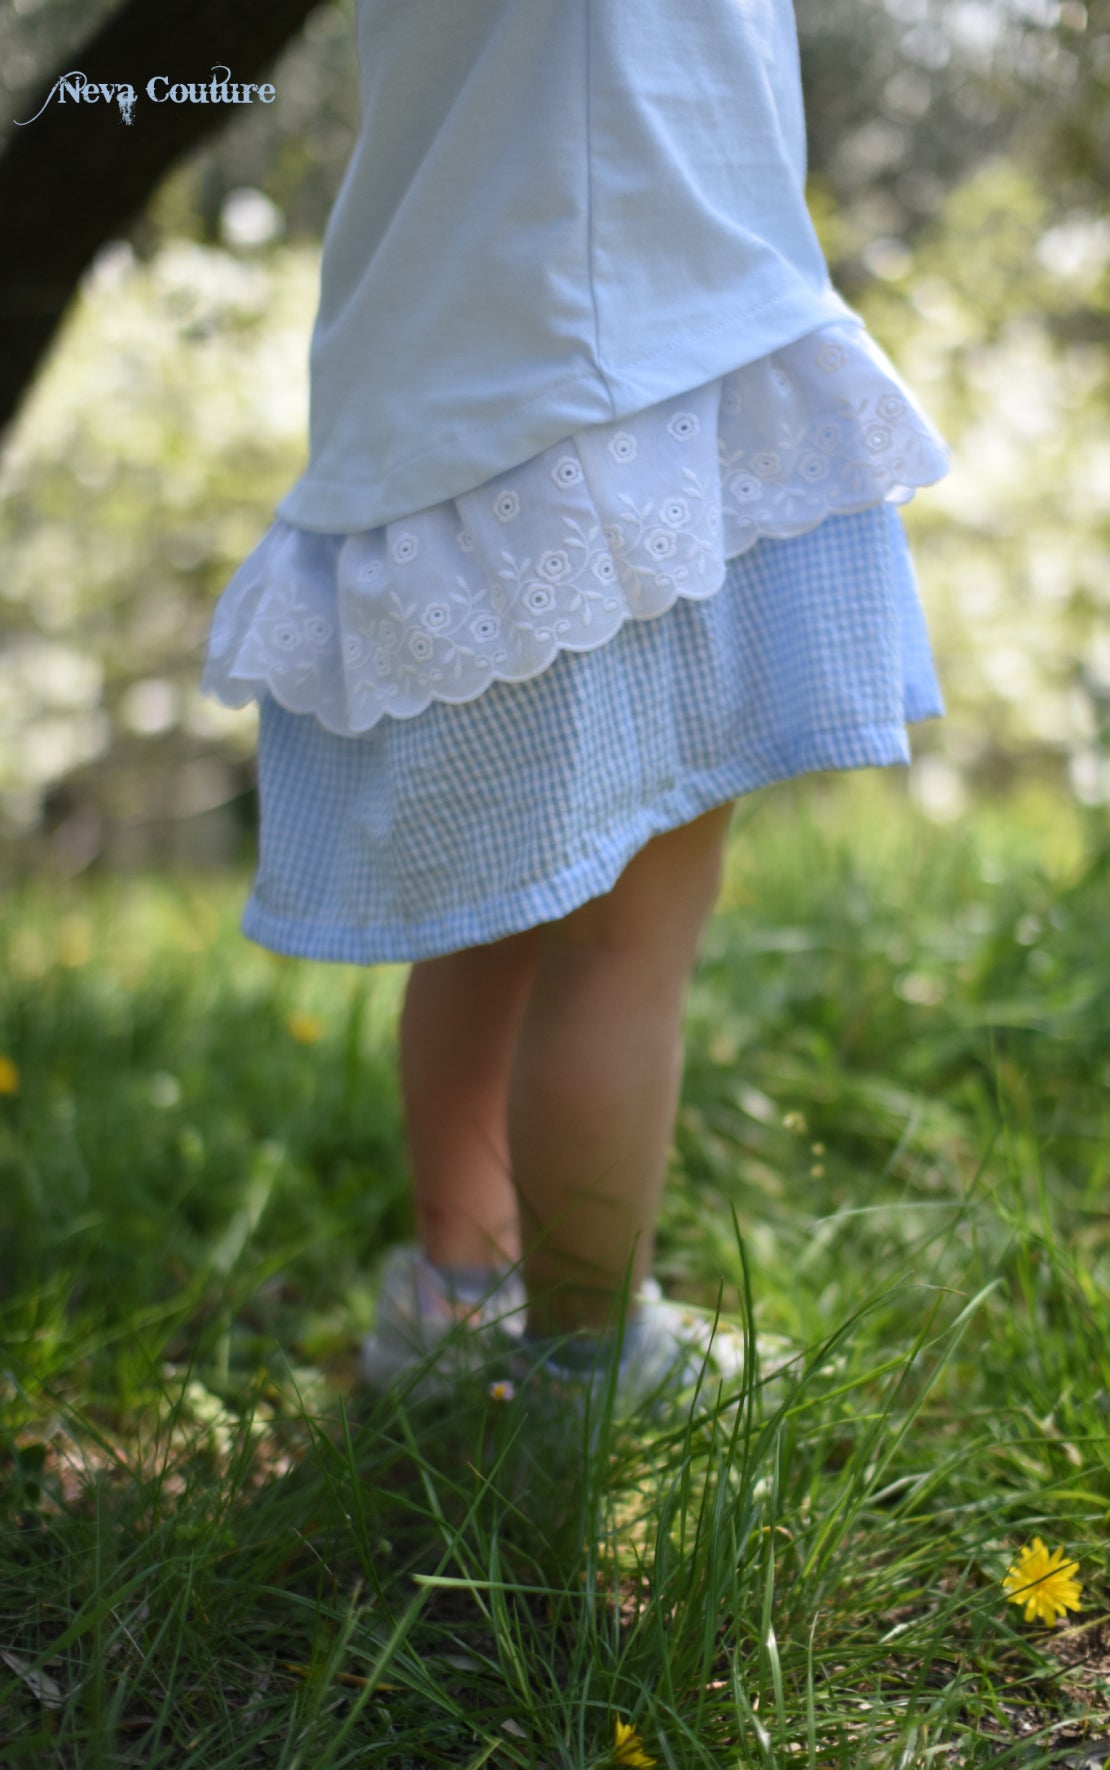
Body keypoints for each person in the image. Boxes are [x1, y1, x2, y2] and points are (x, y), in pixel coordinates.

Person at [202, 0, 950, 1406]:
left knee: (494, 912)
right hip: (626, 379)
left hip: (444, 399)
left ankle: (454, 1289)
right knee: (627, 937)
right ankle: (589, 1361)